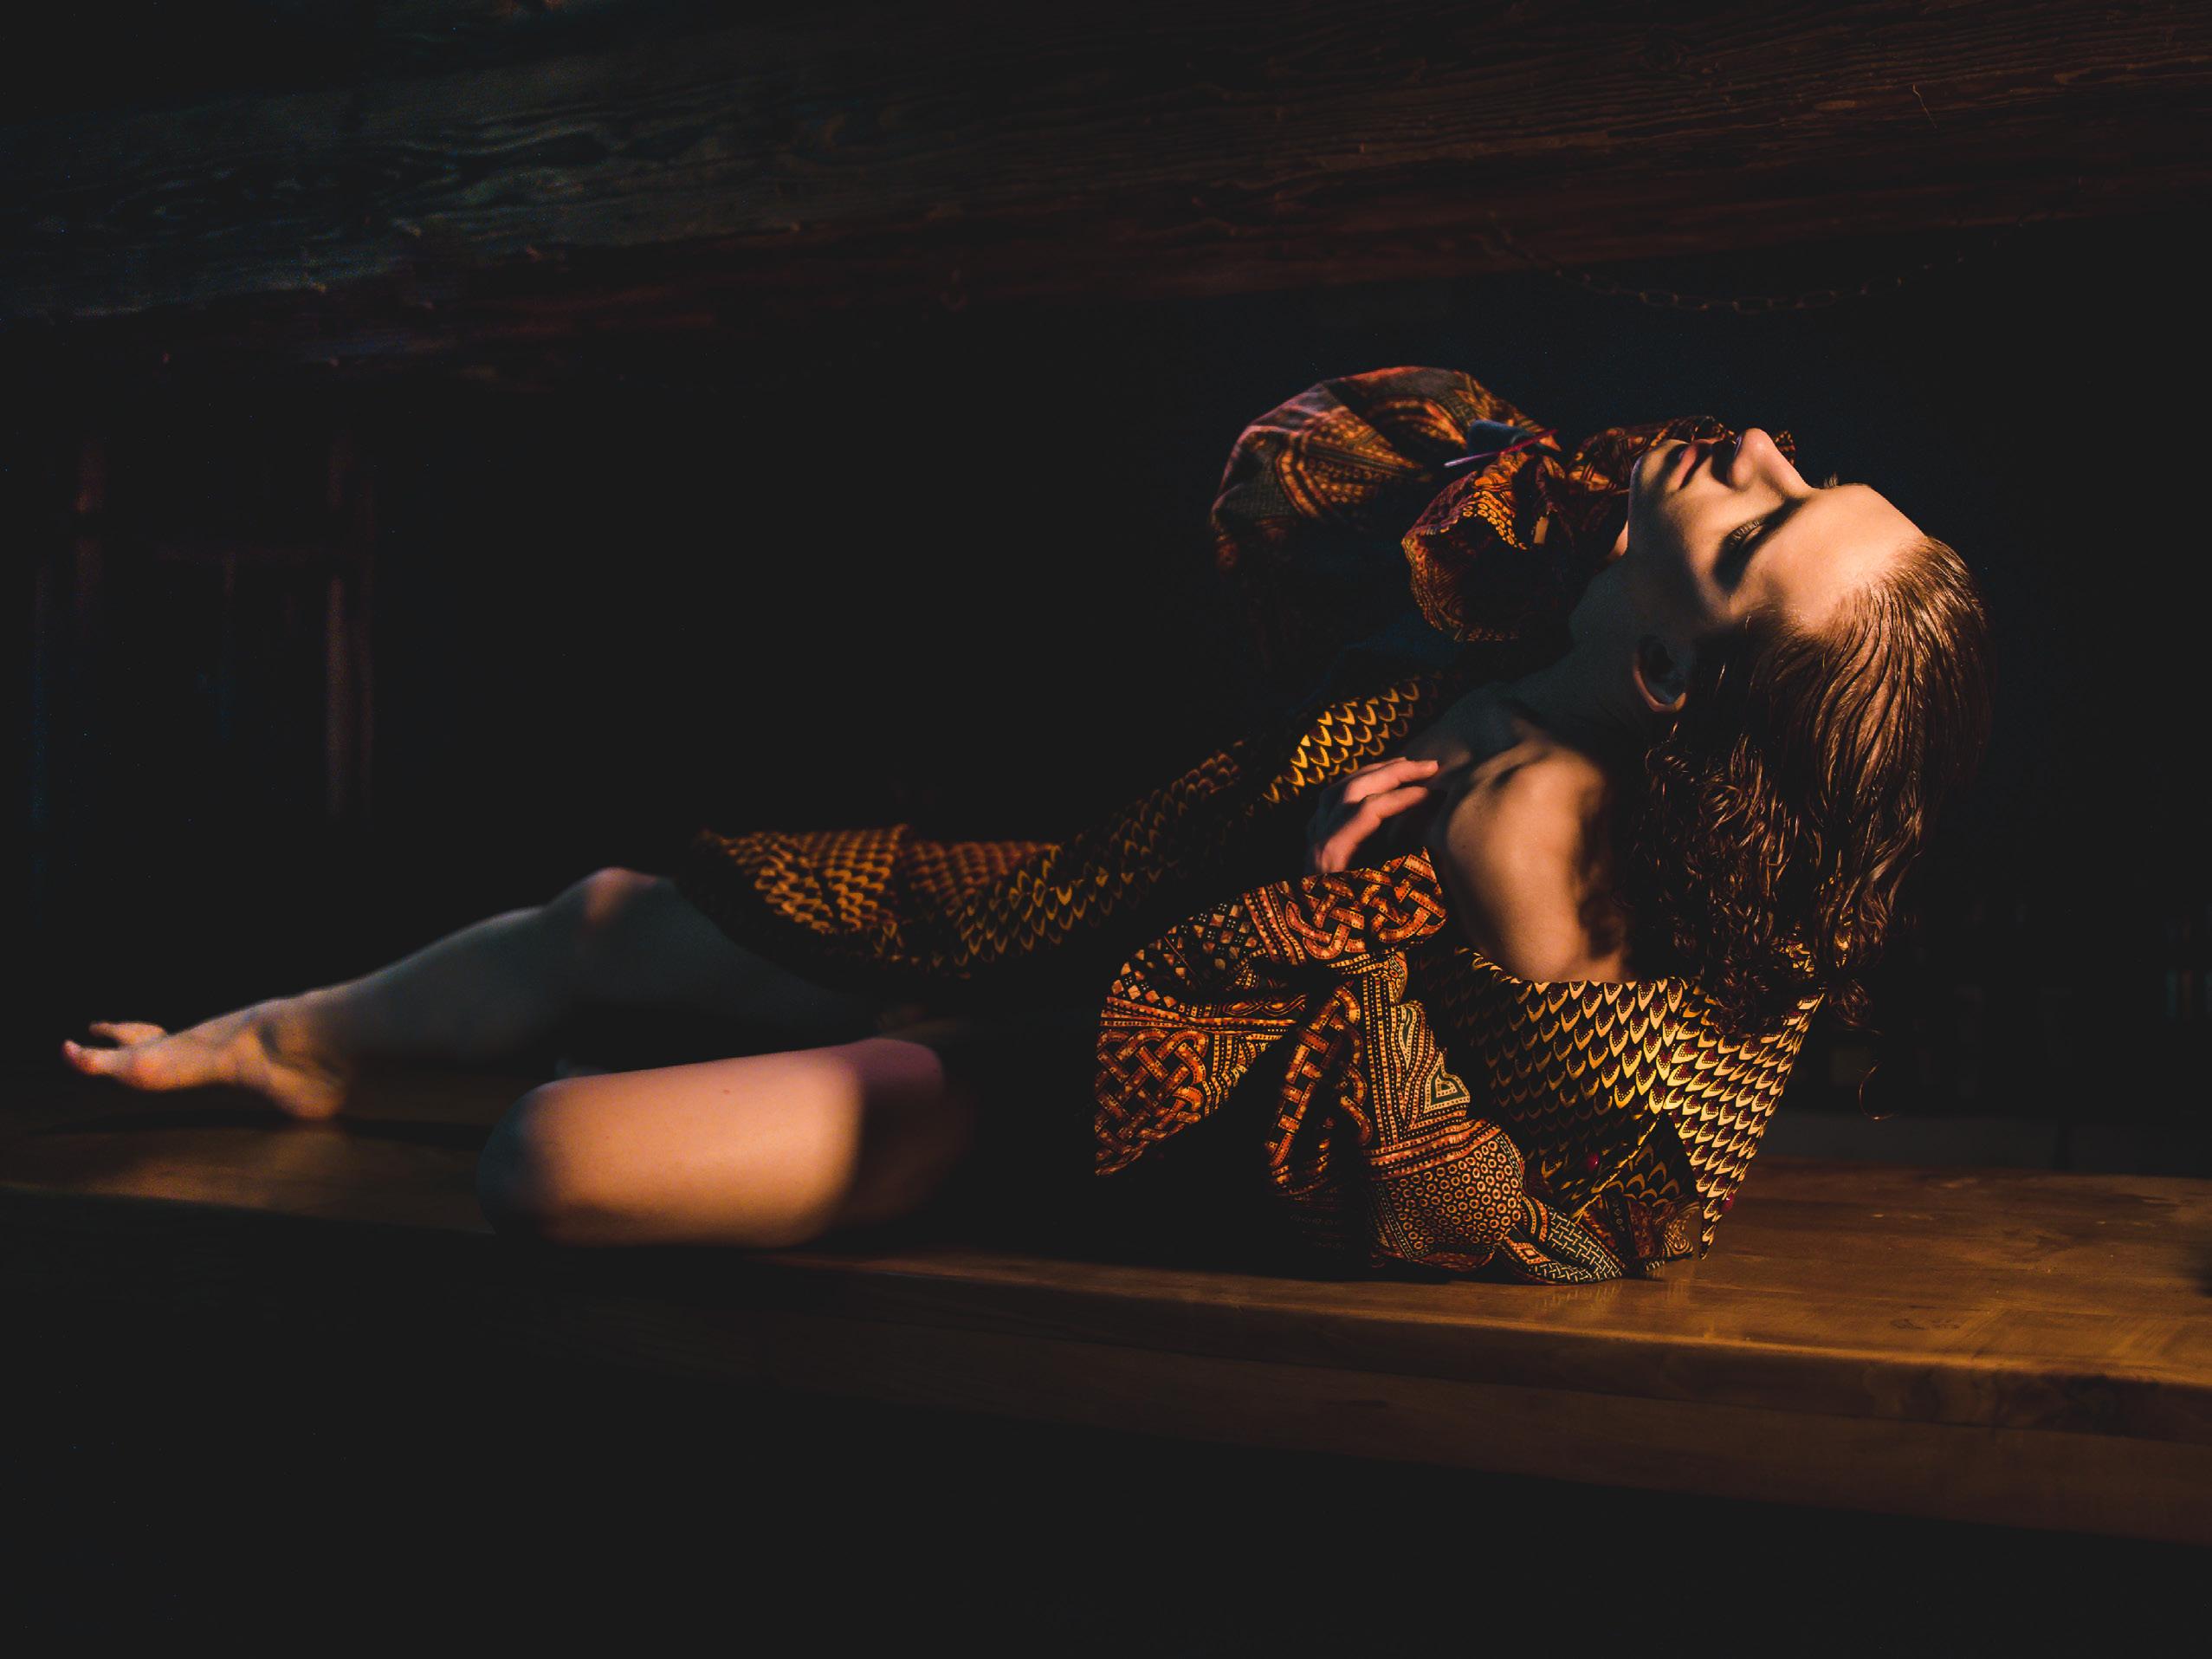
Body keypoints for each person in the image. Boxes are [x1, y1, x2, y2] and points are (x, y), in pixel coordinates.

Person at [58, 367, 1993, 1281]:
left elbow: (1471, 1179)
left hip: (1125, 1104)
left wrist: (1330, 902)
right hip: (1097, 905)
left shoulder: (1540, 850)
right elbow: (1281, 482)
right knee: (613, 915)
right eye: (1806, 472)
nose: (1755, 449)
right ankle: (293, 1040)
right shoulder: (1566, 573)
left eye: (1756, 527)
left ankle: (821, 1086)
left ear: (1666, 677)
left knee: (547, 1162)